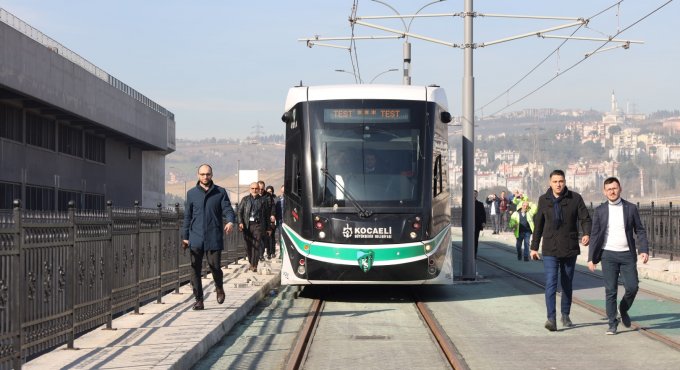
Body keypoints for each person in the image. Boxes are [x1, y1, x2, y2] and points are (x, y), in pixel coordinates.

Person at [530, 169, 591, 332]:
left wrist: (586, 233)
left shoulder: (575, 198)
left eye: (561, 181)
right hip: (550, 248)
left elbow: (585, 218)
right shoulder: (544, 200)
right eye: (555, 181)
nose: (558, 184)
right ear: (550, 183)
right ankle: (551, 318)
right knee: (550, 282)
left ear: (565, 182)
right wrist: (534, 247)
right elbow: (539, 225)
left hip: (569, 247)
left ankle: (565, 314)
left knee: (567, 282)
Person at [587, 177, 649, 335]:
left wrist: (644, 249)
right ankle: (612, 323)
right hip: (608, 255)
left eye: (615, 188)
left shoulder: (630, 208)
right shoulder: (600, 211)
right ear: (604, 191)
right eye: (609, 189)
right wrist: (591, 258)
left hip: (627, 254)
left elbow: (640, 230)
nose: (612, 191)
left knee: (632, 287)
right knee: (610, 290)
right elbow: (594, 235)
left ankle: (623, 308)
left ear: (620, 189)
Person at [182, 164, 235, 310]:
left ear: (212, 175)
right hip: (196, 237)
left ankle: (219, 288)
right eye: (202, 174)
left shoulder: (220, 192)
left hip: (213, 236)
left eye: (208, 174)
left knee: (215, 267)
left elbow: (228, 209)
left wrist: (230, 221)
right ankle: (199, 299)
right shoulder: (192, 193)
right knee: (195, 269)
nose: (205, 177)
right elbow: (187, 216)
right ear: (198, 175)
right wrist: (185, 236)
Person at [237, 182, 270, 272]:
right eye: (253, 188)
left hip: (258, 225)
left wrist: (268, 228)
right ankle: (251, 262)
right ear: (249, 189)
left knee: (256, 245)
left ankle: (254, 265)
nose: (254, 190)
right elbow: (239, 212)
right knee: (248, 246)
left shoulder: (263, 200)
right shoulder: (245, 200)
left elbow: (267, 215)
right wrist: (240, 222)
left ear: (259, 189)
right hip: (247, 226)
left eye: (256, 188)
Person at [474, 190, 486, 258]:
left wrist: (483, 222)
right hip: (468, 225)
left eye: (475, 194)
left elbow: (483, 214)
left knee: (475, 240)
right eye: (473, 194)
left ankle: (474, 253)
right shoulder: (467, 203)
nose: (474, 195)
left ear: (477, 195)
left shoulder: (480, 204)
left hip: (477, 225)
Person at [275, 185, 285, 257]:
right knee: (280, 237)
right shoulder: (277, 199)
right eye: (282, 191)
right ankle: (282, 253)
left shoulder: (290, 200)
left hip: (288, 221)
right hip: (280, 220)